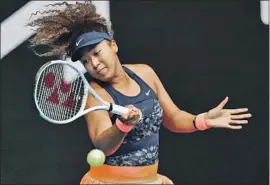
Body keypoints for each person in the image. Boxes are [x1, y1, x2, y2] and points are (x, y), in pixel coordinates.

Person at [27, 2, 252, 184]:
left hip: (150, 179)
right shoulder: (95, 93)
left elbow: (173, 118)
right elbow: (103, 146)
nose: (94, 63)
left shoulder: (145, 72)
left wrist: (202, 120)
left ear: (113, 46)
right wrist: (123, 125)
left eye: (97, 52)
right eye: (85, 60)